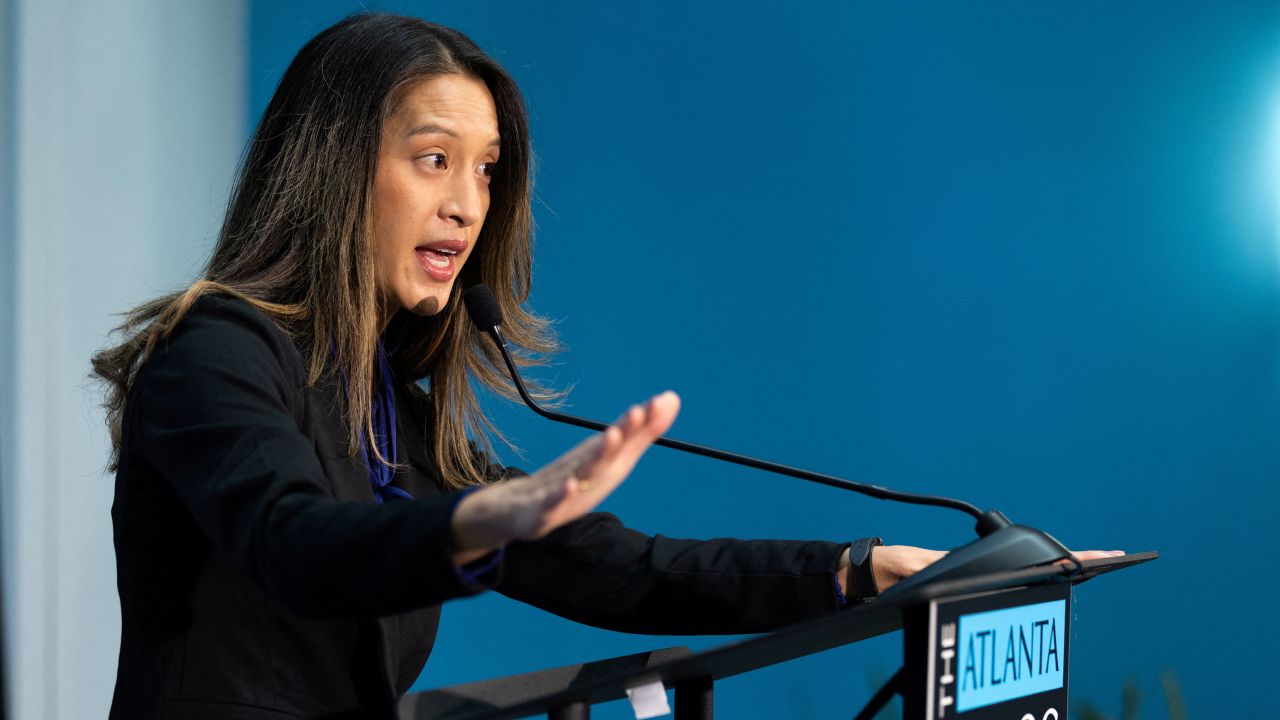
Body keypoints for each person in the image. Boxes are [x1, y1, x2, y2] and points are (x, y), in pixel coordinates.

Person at [92, 13, 1115, 719]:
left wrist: (854, 569)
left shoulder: (388, 414)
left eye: (486, 170)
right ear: (331, 166)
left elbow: (627, 571)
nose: (466, 203)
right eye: (433, 157)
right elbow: (294, 543)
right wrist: (479, 520)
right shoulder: (215, 350)